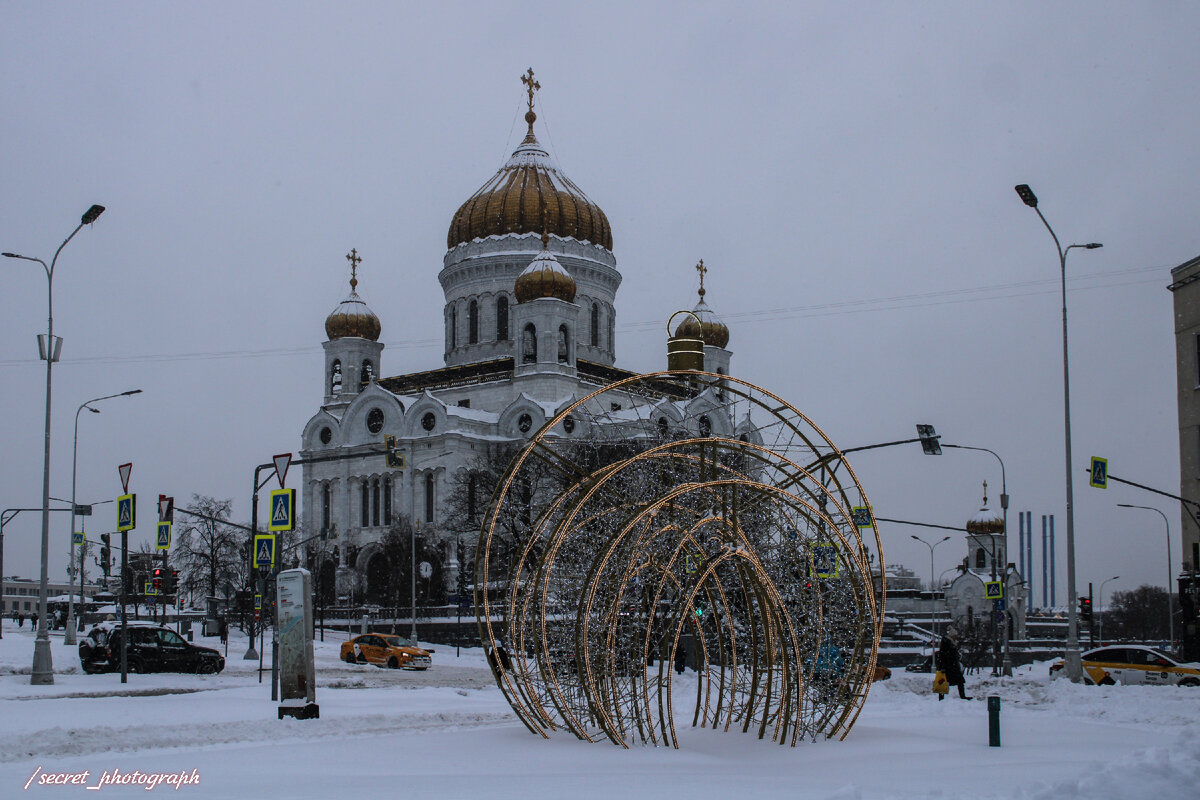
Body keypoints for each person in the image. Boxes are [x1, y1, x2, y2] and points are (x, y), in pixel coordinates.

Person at [936, 627, 970, 700]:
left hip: (950, 665)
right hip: (948, 665)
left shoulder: (950, 642)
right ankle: (961, 696)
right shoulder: (947, 642)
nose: (956, 637)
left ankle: (942, 698)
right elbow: (945, 654)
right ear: (952, 635)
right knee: (946, 681)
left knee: (947, 681)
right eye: (955, 635)